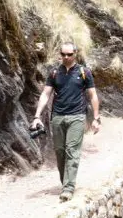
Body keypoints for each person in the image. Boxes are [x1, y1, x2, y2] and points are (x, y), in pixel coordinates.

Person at [30, 42, 101, 202]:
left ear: (75, 54)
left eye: (69, 54)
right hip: (57, 117)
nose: (66, 57)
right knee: (60, 151)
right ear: (60, 55)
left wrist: (96, 118)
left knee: (72, 150)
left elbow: (93, 96)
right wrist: (37, 116)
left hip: (77, 117)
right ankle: (65, 182)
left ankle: (68, 188)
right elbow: (46, 94)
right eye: (63, 54)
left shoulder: (84, 72)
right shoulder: (54, 73)